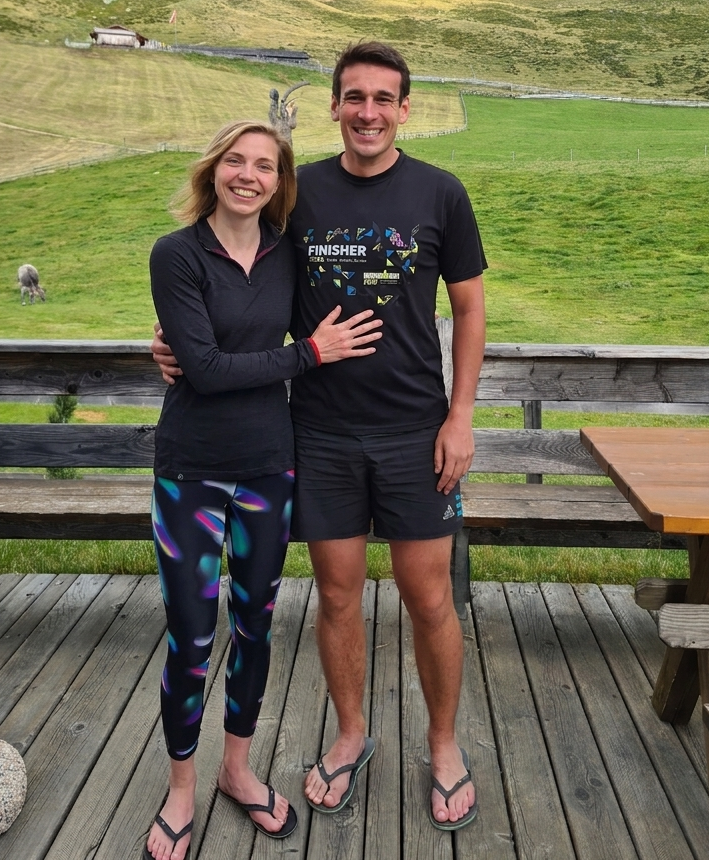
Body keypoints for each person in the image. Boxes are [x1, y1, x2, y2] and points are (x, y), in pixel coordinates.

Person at [154, 43, 486, 832]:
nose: (368, 111)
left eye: (383, 97)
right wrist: (167, 343)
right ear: (334, 107)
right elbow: (230, 270)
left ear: (406, 108)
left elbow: (469, 309)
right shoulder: (298, 196)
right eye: (354, 97)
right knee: (336, 596)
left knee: (429, 596)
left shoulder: (441, 192)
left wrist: (462, 415)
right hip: (319, 432)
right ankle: (349, 735)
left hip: (416, 431)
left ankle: (443, 746)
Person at [144, 119, 382, 860]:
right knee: (191, 634)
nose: (249, 175)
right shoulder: (177, 254)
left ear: (280, 182)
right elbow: (208, 372)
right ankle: (182, 787)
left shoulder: (290, 255)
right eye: (236, 161)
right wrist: (306, 354)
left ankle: (238, 772)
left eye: (266, 166)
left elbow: (364, 273)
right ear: (214, 168)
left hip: (268, 468)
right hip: (189, 468)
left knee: (255, 625)